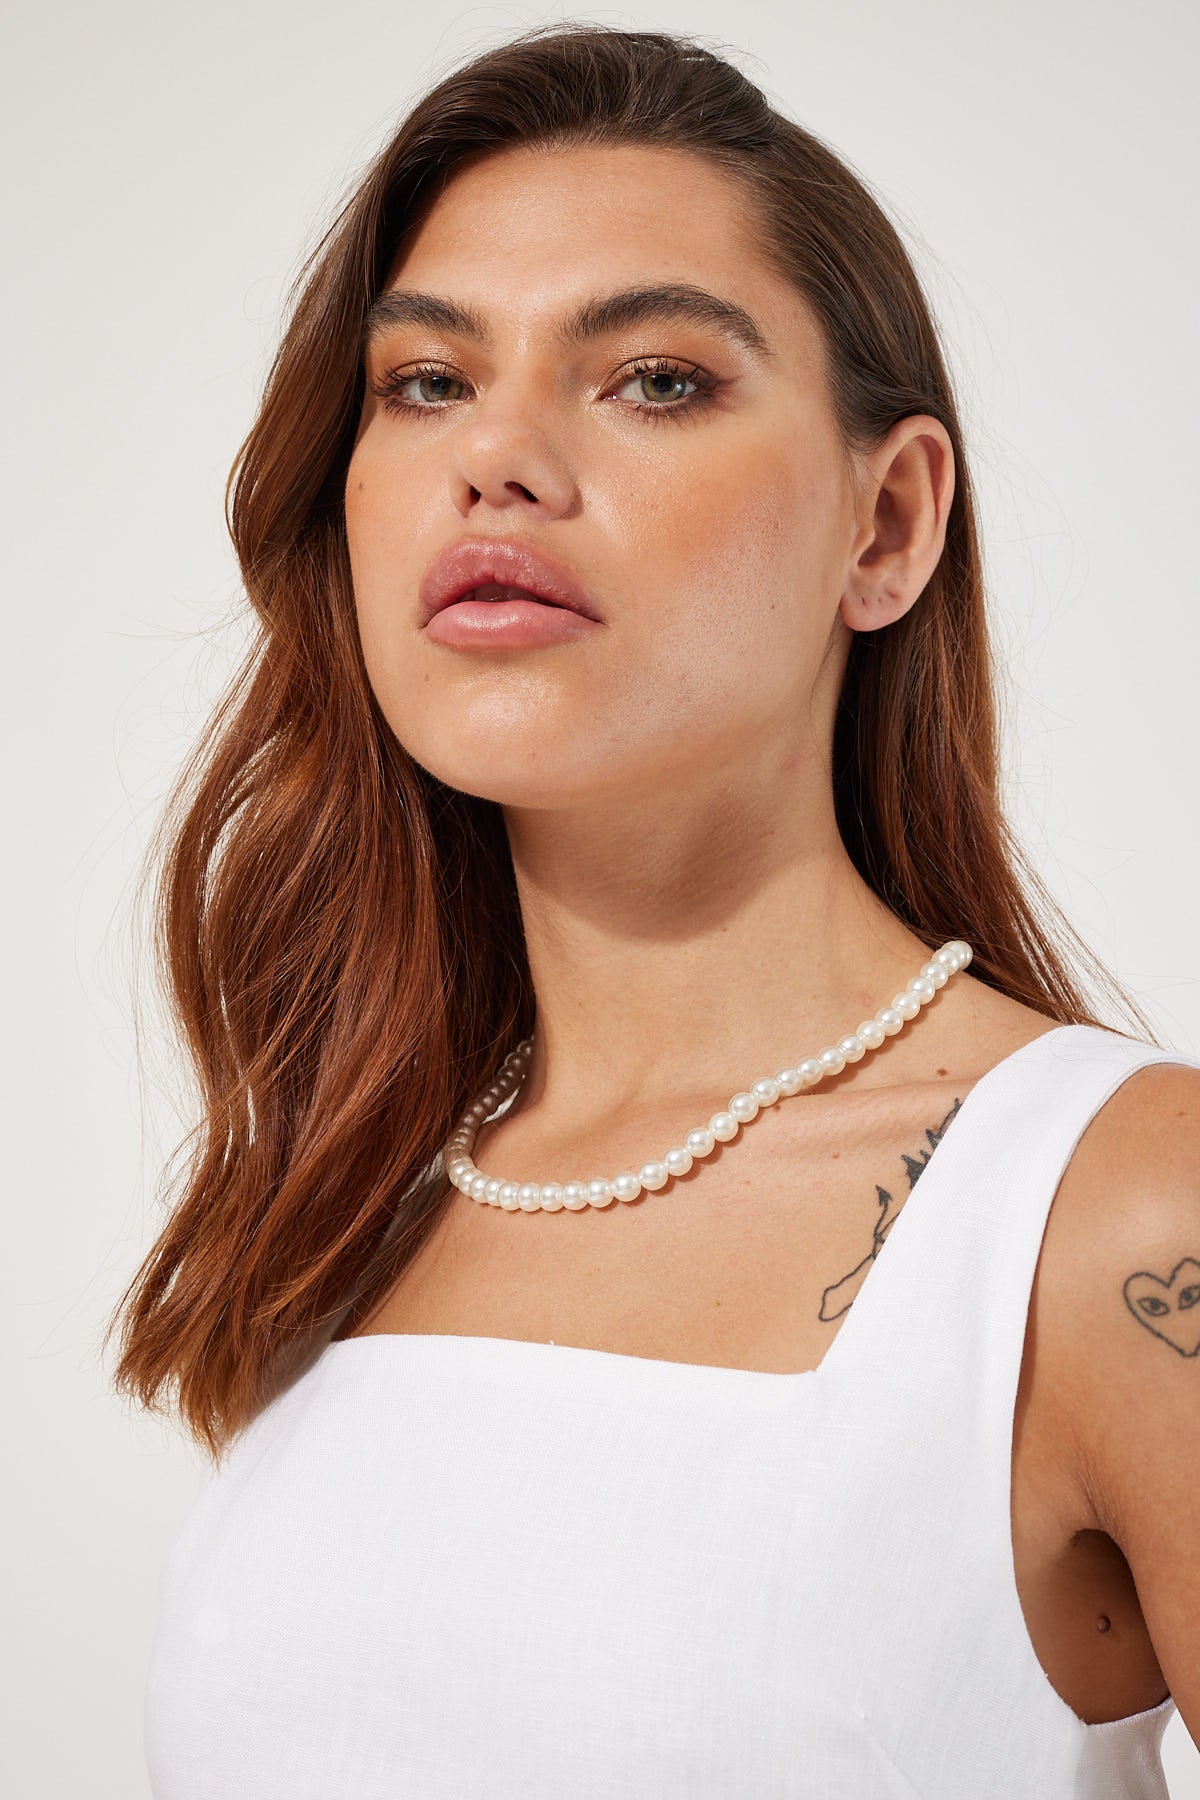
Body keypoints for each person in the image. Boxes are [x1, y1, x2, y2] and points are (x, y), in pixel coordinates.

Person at [108, 22, 1200, 1797]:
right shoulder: (346, 1208)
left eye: (656, 379)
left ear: (888, 523)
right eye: (426, 382)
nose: (498, 458)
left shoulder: (1124, 1213)